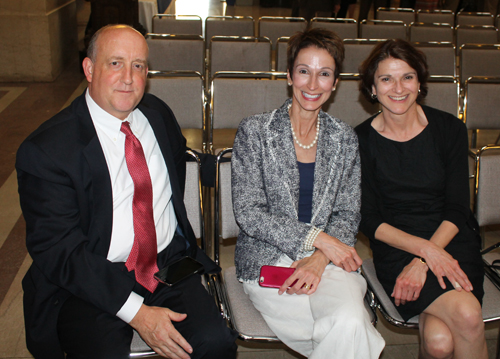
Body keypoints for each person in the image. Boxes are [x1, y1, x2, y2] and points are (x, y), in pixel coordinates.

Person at [16, 24, 237, 359]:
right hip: (89, 279)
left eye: (139, 65)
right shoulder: (48, 150)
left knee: (216, 344)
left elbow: (184, 167)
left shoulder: (156, 114)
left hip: (166, 264)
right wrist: (138, 313)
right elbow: (60, 250)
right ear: (89, 69)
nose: (129, 78)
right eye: (115, 63)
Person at [231, 27, 385, 359]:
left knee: (346, 322)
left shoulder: (344, 137)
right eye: (304, 71)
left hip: (328, 262)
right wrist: (320, 238)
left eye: (324, 74)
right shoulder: (255, 132)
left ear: (334, 83)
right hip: (269, 258)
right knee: (351, 328)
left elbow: (347, 213)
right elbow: (249, 213)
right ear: (289, 75)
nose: (313, 85)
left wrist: (320, 256)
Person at [355, 39, 487, 359]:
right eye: (386, 79)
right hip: (397, 248)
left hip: (451, 239)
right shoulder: (358, 140)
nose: (398, 87)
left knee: (440, 343)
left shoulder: (449, 129)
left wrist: (428, 256)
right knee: (465, 320)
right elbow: (368, 219)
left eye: (407, 77)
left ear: (419, 82)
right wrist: (422, 252)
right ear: (372, 88)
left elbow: (458, 208)